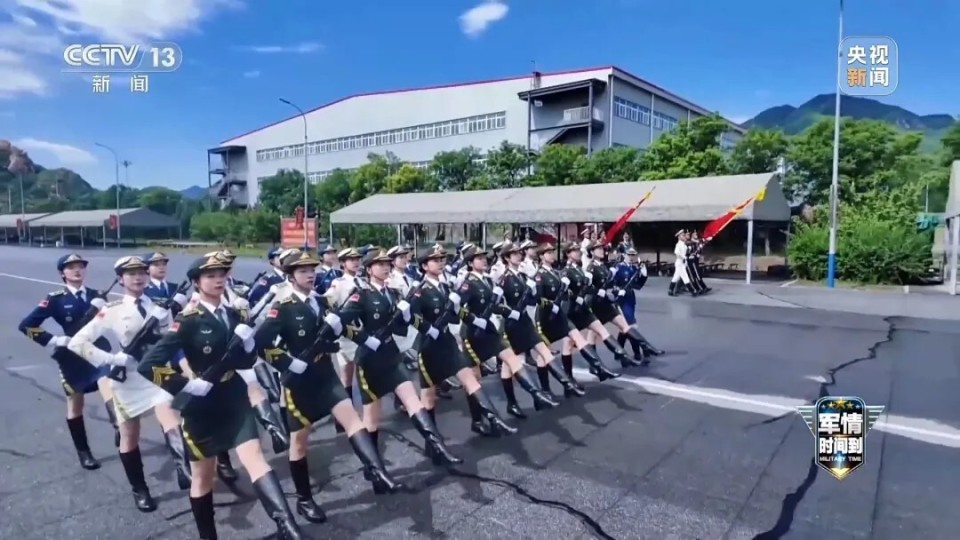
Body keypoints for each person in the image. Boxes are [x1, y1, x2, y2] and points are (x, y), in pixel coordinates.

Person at [138, 254, 307, 540]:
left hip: (233, 397)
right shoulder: (187, 321)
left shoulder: (233, 315)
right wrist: (186, 385)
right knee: (203, 477)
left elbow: (245, 361)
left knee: (256, 459)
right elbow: (148, 365)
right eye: (210, 276)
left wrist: (249, 344)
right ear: (196, 282)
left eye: (221, 275)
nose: (218, 280)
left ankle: (287, 526)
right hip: (201, 406)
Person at [255, 250, 402, 524]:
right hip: (299, 381)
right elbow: (260, 343)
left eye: (312, 270)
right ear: (290, 276)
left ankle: (377, 470)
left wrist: (362, 337)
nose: (310, 275)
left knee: (353, 421)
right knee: (299, 442)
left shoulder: (321, 301)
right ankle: (304, 499)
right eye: (302, 271)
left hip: (325, 374)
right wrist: (287, 362)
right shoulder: (282, 307)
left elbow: (342, 327)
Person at [67, 255, 187, 511]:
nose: (138, 277)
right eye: (131, 274)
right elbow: (77, 343)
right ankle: (139, 489)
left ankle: (182, 466)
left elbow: (170, 340)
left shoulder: (160, 306)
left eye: (142, 272)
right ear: (120, 280)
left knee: (168, 412)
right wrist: (112, 359)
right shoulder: (112, 310)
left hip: (156, 372)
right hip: (128, 379)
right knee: (129, 436)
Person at [323, 247, 462, 466]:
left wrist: (405, 317)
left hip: (391, 354)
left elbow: (401, 329)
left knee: (413, 402)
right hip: (369, 359)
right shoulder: (361, 295)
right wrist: (364, 338)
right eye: (380, 264)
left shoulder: (394, 293)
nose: (386, 267)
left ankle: (439, 447)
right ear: (369, 270)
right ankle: (373, 465)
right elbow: (339, 323)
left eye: (388, 264)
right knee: (372, 417)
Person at [17, 253, 116, 469]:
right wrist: (54, 340)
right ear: (62, 273)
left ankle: (118, 425)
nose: (77, 270)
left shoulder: (97, 295)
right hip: (72, 355)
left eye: (80, 266)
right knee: (75, 404)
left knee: (107, 383)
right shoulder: (55, 299)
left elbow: (110, 323)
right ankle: (84, 452)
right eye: (71, 267)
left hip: (98, 350)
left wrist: (103, 311)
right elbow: (26, 325)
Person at [411, 244, 516, 437]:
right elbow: (411, 316)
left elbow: (455, 314)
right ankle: (432, 440)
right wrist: (428, 328)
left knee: (471, 380)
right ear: (424, 266)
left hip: (447, 342)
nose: (441, 263)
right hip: (428, 347)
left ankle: (493, 419)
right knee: (428, 395)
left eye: (442, 260)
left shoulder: (444, 287)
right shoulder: (419, 290)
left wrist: (460, 313)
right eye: (435, 260)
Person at [457, 245, 557, 419]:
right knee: (474, 377)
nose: (484, 260)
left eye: (484, 257)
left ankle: (536, 395)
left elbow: (494, 306)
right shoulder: (468, 283)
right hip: (472, 334)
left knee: (512, 359)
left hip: (489, 330)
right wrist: (474, 319)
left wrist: (507, 311)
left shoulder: (488, 280)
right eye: (479, 258)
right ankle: (477, 419)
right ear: (470, 263)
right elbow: (457, 308)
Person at [497, 242, 582, 403]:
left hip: (525, 321)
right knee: (509, 364)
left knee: (544, 351)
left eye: (519, 253)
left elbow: (533, 300)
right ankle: (513, 403)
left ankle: (564, 385)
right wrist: (510, 312)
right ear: (507, 258)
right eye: (514, 254)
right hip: (511, 325)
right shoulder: (504, 279)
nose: (518, 256)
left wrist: (533, 292)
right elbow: (496, 305)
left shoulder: (523, 277)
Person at [533, 244, 620, 382]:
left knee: (577, 339)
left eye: (552, 252)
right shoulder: (540, 275)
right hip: (545, 316)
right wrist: (552, 304)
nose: (552, 255)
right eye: (548, 253)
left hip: (559, 314)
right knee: (543, 353)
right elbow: (537, 298)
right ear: (541, 256)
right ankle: (546, 388)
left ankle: (598, 369)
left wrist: (569, 290)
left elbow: (565, 293)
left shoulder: (556, 273)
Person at [560, 243, 636, 368]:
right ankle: (583, 371)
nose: (578, 252)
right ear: (567, 254)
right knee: (569, 343)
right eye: (574, 250)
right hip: (570, 309)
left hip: (582, 307)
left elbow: (588, 286)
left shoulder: (579, 269)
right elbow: (564, 292)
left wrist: (608, 282)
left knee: (597, 332)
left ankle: (603, 364)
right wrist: (571, 292)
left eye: (578, 250)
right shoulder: (568, 270)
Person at [584, 242, 650, 365]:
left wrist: (644, 275)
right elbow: (587, 286)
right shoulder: (591, 267)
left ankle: (626, 355)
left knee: (623, 326)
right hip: (597, 302)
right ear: (591, 252)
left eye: (602, 248)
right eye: (598, 249)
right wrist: (614, 291)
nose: (601, 250)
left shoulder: (604, 266)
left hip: (610, 301)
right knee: (595, 332)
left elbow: (635, 285)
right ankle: (596, 362)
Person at [322, 247, 364, 434]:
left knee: (351, 373)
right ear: (342, 263)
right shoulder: (338, 283)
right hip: (348, 334)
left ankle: (346, 416)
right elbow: (327, 301)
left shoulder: (363, 281)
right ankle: (348, 416)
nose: (355, 262)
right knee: (351, 374)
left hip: (362, 332)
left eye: (357, 259)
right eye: (350, 260)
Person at [613, 248, 665, 357]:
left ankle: (618, 352)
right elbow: (611, 282)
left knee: (625, 327)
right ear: (624, 255)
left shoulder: (634, 268)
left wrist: (644, 276)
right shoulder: (619, 267)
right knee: (632, 326)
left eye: (633, 255)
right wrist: (617, 290)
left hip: (630, 298)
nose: (631, 257)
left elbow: (637, 285)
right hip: (621, 299)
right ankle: (639, 352)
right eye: (629, 255)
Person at [669, 230, 697, 296]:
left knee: (676, 277)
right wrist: (684, 257)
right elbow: (676, 252)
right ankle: (693, 291)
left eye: (684, 235)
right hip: (680, 263)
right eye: (682, 235)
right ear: (679, 237)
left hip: (682, 263)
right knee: (685, 277)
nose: (684, 236)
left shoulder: (683, 244)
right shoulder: (678, 244)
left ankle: (670, 290)